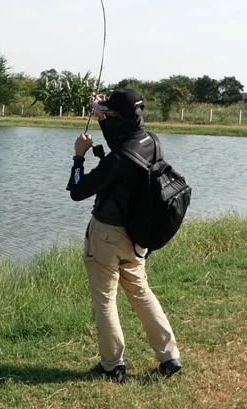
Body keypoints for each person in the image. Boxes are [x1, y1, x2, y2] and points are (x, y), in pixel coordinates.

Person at [66, 87, 182, 383]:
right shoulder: (151, 141)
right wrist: (102, 115)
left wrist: (79, 157)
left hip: (106, 236)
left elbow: (78, 191)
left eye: (110, 112)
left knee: (105, 300)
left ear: (120, 116)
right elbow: (123, 140)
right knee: (142, 293)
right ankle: (169, 358)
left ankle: (112, 365)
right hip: (136, 236)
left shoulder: (116, 160)